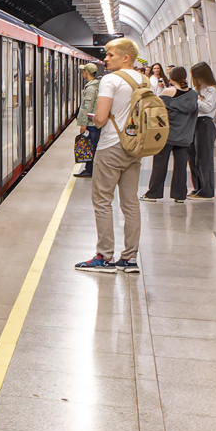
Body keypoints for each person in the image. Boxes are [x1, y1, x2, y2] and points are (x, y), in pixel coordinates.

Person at [76, 38, 146, 273]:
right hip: (134, 146)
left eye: (110, 55)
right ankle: (129, 258)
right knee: (130, 203)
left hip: (111, 146)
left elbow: (101, 118)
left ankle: (104, 256)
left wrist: (94, 117)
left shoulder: (110, 79)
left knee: (102, 201)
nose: (105, 59)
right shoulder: (144, 80)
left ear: (125, 57)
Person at [141, 65, 198, 204]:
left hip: (167, 134)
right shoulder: (193, 94)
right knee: (181, 167)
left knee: (160, 164)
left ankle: (153, 193)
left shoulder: (167, 92)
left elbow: (157, 109)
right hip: (185, 136)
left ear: (171, 77)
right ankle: (179, 195)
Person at [188, 61, 216, 199]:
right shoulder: (197, 89)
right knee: (194, 158)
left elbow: (207, 108)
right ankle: (198, 187)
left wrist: (194, 99)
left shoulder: (212, 90)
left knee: (204, 158)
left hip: (205, 124)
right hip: (194, 123)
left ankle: (206, 190)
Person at [77, 62, 100, 178]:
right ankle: (90, 169)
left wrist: (83, 124)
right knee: (92, 145)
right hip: (93, 122)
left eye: (83, 71)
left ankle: (89, 170)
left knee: (90, 146)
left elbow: (87, 106)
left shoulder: (91, 88)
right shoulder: (96, 85)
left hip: (91, 123)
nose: (82, 73)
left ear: (87, 72)